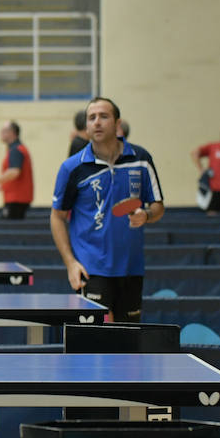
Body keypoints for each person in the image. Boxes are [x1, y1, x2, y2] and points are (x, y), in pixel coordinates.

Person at [50, 96, 164, 322]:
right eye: (91, 118)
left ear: (117, 123)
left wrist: (146, 215)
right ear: (86, 126)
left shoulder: (141, 159)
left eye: (104, 116)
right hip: (91, 267)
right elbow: (57, 217)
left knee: (128, 342)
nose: (97, 122)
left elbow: (157, 206)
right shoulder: (73, 168)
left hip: (131, 267)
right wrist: (71, 263)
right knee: (94, 342)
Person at [0, 120, 33, 219]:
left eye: (4, 130)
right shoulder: (15, 149)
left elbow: (14, 172)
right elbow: (15, 178)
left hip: (16, 201)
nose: (1, 133)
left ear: (12, 133)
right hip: (16, 199)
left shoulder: (16, 150)